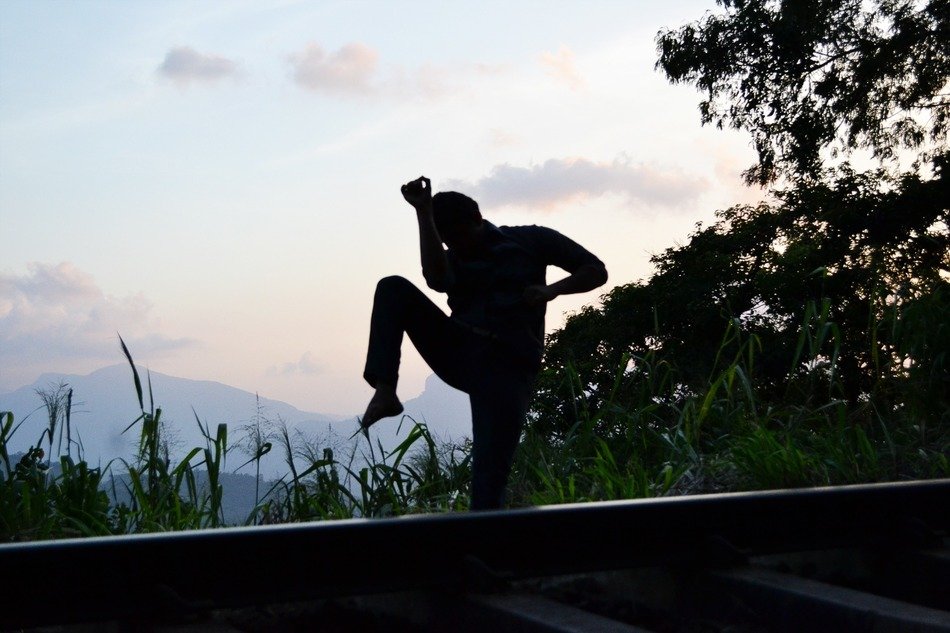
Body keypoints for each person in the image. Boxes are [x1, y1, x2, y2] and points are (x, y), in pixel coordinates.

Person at [361, 175, 608, 510]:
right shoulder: (450, 258)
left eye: (459, 237)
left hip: (507, 368)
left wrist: (552, 290)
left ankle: (487, 557)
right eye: (448, 241)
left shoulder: (531, 240)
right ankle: (386, 390)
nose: (457, 247)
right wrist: (422, 213)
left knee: (489, 482)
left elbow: (595, 270)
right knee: (392, 288)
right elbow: (435, 279)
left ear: (477, 219)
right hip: (460, 350)